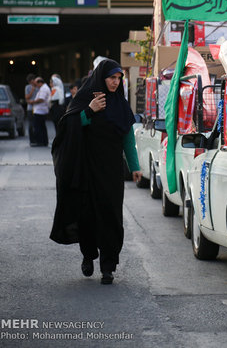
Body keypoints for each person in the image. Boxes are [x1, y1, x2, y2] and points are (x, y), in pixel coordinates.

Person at [50, 59, 141, 285]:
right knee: (88, 215)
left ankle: (108, 267)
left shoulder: (120, 104)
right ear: (102, 77)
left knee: (111, 215)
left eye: (119, 78)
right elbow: (67, 128)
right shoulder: (85, 99)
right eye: (112, 77)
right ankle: (89, 256)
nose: (115, 82)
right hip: (87, 169)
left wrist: (135, 166)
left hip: (111, 171)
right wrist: (89, 112)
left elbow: (127, 137)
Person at [27, 77, 50, 147]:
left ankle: (40, 141)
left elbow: (41, 99)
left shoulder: (44, 89)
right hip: (40, 110)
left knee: (38, 127)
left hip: (40, 111)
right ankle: (43, 141)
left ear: (40, 83)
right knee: (41, 126)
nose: (36, 85)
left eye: (36, 83)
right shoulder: (43, 88)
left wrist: (32, 102)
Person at [24, 74, 39, 144]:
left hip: (38, 108)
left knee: (37, 124)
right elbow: (27, 98)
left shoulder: (39, 86)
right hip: (30, 108)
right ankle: (32, 140)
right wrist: (32, 91)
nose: (33, 82)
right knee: (31, 124)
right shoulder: (27, 87)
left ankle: (37, 139)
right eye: (31, 81)